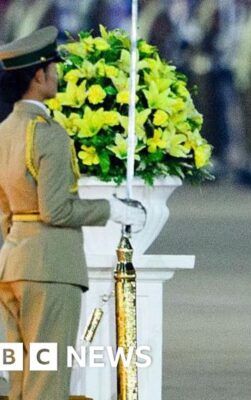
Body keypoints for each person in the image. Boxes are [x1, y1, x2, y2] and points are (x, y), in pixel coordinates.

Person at [0, 26, 145, 399]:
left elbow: (5, 210)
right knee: (47, 383)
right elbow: (56, 210)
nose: (57, 75)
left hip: (13, 263)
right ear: (38, 76)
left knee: (20, 383)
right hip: (50, 270)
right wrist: (113, 209)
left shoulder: (5, 131)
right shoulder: (48, 133)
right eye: (52, 68)